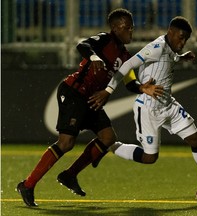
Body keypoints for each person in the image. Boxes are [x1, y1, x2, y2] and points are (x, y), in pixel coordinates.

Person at [16, 8, 163, 207]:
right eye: (127, 28)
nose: (131, 32)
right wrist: (94, 57)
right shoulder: (104, 40)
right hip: (74, 92)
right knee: (66, 143)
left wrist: (142, 88)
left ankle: (69, 175)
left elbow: (129, 83)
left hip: (91, 100)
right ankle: (28, 184)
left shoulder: (125, 55)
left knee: (108, 138)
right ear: (114, 28)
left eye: (132, 28)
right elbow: (82, 44)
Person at [91, 16, 197, 195]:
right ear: (170, 33)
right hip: (149, 108)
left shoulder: (170, 47)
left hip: (168, 105)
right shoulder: (156, 47)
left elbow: (168, 58)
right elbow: (127, 65)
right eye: (180, 37)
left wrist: (181, 57)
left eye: (186, 39)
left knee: (196, 139)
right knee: (150, 158)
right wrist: (109, 90)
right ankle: (110, 146)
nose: (183, 42)